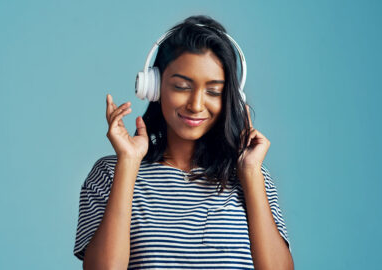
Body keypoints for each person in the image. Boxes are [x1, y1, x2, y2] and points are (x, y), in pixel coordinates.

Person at [74, 14, 294, 269]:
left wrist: (251, 173)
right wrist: (128, 164)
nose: (196, 105)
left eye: (213, 91)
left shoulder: (253, 176)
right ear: (154, 87)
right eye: (181, 86)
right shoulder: (110, 174)